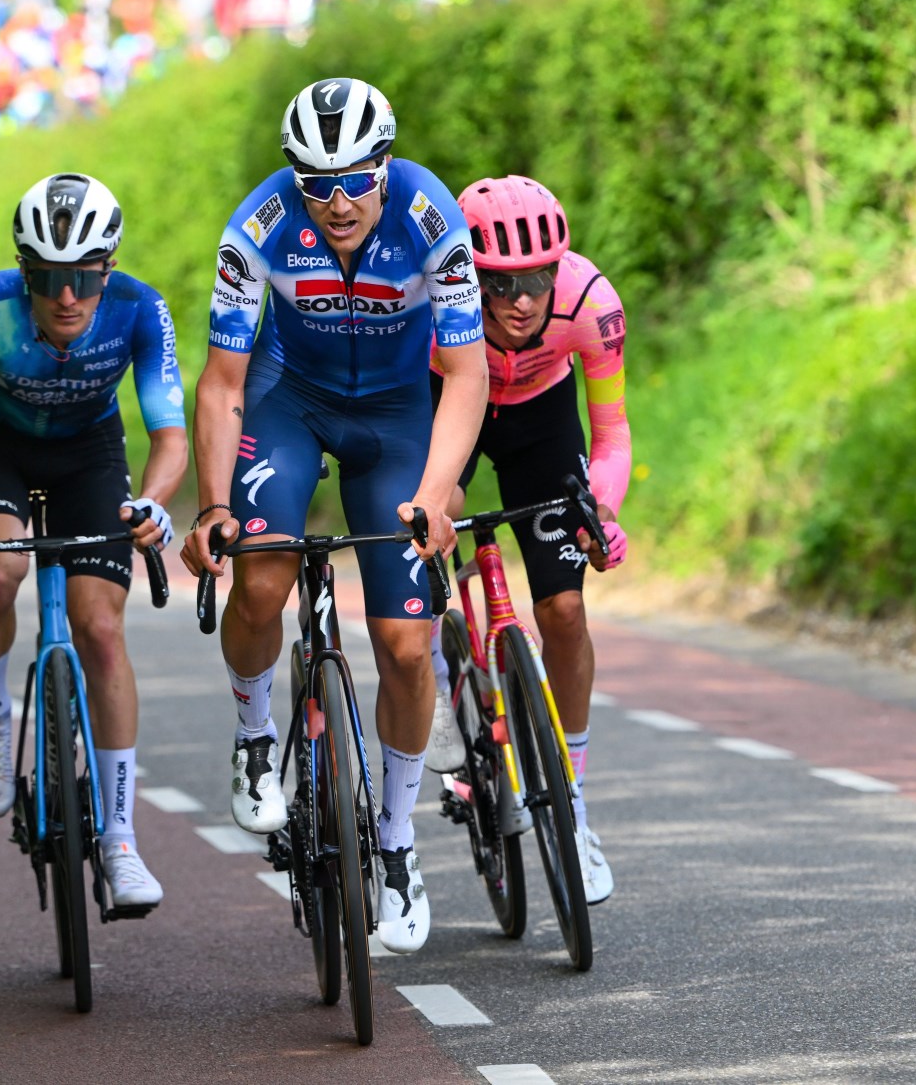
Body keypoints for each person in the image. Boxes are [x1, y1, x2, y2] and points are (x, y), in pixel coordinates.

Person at [180, 78, 487, 954]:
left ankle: (395, 842)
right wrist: (212, 506)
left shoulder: (431, 219)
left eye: (356, 179)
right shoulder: (259, 226)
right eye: (317, 184)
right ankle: (253, 737)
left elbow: (467, 373)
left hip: (395, 416)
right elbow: (224, 382)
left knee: (405, 647)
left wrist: (434, 492)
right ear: (296, 179)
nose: (339, 201)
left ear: (384, 166)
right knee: (260, 579)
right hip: (292, 401)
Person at [0, 173, 186, 912]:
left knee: (101, 629)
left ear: (108, 269)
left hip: (88, 455)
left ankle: (121, 840)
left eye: (85, 277)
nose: (67, 296)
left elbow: (170, 433)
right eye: (46, 277)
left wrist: (153, 503)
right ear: (24, 273)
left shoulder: (140, 308)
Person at [427, 175, 630, 904]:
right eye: (502, 283)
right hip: (452, 400)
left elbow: (612, 434)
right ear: (471, 276)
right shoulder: (432, 298)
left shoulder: (591, 303)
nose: (522, 300)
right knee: (432, 517)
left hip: (543, 419)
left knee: (565, 610)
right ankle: (436, 674)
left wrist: (602, 512)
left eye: (537, 279)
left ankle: (572, 801)